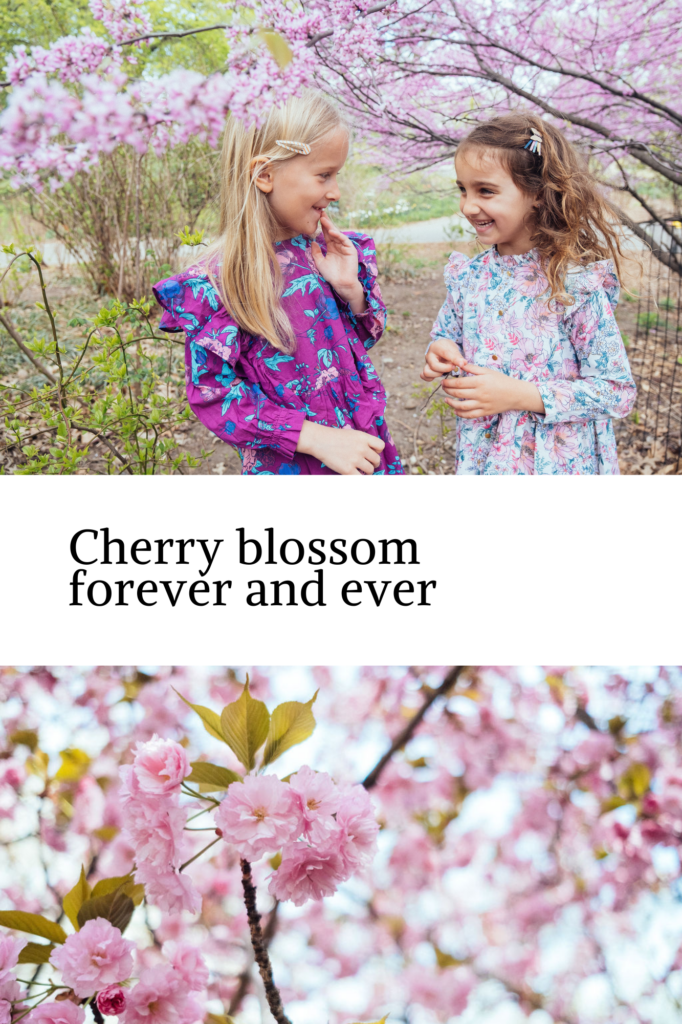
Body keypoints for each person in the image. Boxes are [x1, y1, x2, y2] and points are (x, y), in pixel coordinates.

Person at [153, 91, 403, 476]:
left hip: (363, 448)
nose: (335, 192)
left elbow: (363, 340)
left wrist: (351, 291)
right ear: (265, 174)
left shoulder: (324, 254)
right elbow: (213, 396)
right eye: (324, 175)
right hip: (292, 467)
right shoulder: (219, 284)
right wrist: (314, 438)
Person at [421, 114, 636, 474]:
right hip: (485, 458)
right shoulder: (468, 277)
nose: (467, 206)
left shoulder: (574, 283)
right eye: (463, 189)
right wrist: (441, 350)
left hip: (556, 463)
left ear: (536, 194)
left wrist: (520, 395)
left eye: (485, 191)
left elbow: (616, 391)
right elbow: (447, 335)